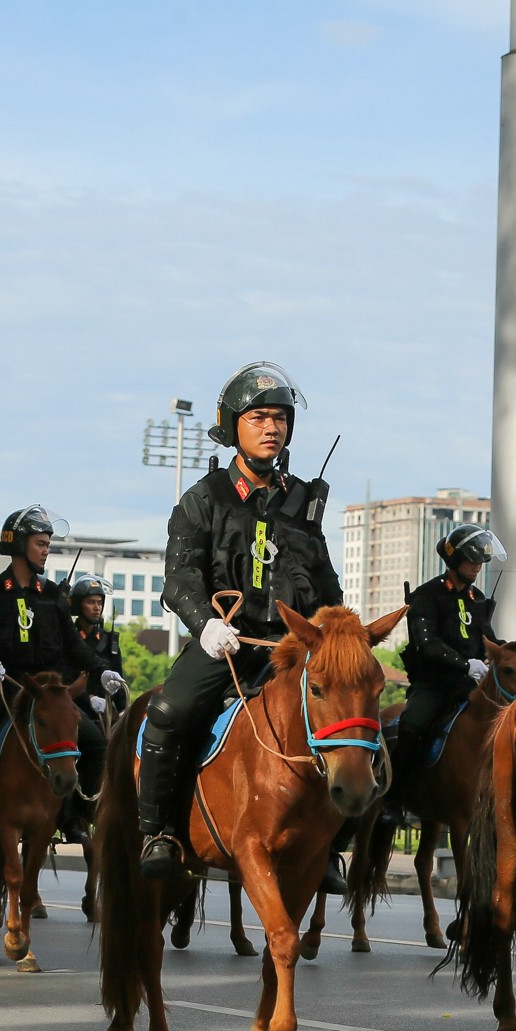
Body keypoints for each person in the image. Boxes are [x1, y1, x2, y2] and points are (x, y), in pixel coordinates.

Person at [136, 362, 347, 885]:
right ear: (233, 426)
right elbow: (180, 575)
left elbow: (327, 587)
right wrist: (205, 623)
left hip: (289, 652)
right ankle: (158, 831)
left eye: (279, 418)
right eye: (258, 417)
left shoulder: (305, 505)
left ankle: (331, 844)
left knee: (356, 723)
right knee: (167, 711)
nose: (271, 427)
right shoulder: (201, 499)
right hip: (223, 643)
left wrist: (338, 638)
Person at [0, 508, 113, 814]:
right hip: (1, 689)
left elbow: (74, 645)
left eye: (48, 544)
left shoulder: (53, 595)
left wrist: (101, 671)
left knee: (96, 743)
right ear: (19, 544)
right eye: (40, 543)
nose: (46, 550)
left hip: (46, 694)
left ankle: (79, 816)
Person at [391, 525, 505, 787]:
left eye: (481, 561)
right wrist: (464, 664)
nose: (478, 566)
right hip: (435, 684)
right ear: (455, 559)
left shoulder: (477, 598)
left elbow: (489, 639)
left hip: (471, 686)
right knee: (412, 725)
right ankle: (394, 800)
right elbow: (427, 644)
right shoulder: (427, 595)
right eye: (472, 559)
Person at [62, 572, 124, 844]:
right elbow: (65, 677)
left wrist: (123, 709)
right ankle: (75, 816)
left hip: (106, 711)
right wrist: (88, 699)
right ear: (78, 605)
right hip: (75, 708)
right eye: (90, 602)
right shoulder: (70, 638)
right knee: (85, 749)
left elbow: (119, 677)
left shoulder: (110, 640)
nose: (97, 607)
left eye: (99, 602)